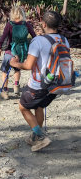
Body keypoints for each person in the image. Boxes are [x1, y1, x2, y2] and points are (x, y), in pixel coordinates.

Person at [10, 10, 70, 152]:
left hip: (39, 85)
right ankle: (35, 137)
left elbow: (28, 65)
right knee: (39, 106)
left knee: (23, 107)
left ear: (43, 24)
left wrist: (15, 64)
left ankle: (41, 137)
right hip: (57, 85)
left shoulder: (38, 41)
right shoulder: (64, 40)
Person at [0, 6, 36, 99]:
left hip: (10, 51)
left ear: (12, 14)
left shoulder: (9, 24)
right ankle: (16, 87)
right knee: (17, 69)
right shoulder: (26, 24)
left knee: (5, 71)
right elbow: (34, 37)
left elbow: (3, 37)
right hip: (21, 52)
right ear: (22, 14)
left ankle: (5, 91)